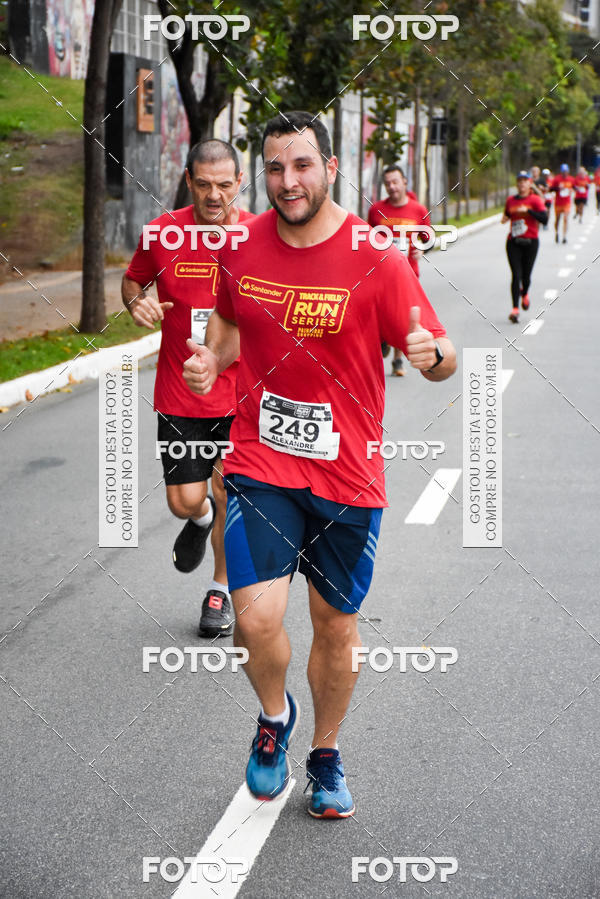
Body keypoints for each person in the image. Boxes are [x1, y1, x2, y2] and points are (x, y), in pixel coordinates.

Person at [182, 111, 456, 818]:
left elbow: (440, 352)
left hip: (347, 473)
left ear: (331, 168)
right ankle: (275, 718)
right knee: (255, 616)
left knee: (335, 624)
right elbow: (232, 322)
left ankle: (326, 754)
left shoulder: (378, 256)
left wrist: (433, 358)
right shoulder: (241, 246)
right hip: (260, 459)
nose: (287, 180)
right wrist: (214, 357)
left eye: (301, 165)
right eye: (274, 167)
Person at [122, 140, 254, 637]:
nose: (215, 195)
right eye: (204, 185)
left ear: (240, 181)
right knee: (185, 500)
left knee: (228, 489)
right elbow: (133, 281)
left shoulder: (261, 236)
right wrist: (137, 304)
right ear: (188, 180)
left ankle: (219, 590)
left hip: (241, 392)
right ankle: (197, 521)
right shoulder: (162, 234)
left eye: (224, 184)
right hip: (181, 394)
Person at [367, 165, 429, 377]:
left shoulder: (419, 210)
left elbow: (427, 238)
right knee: (380, 313)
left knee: (401, 316)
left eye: (395, 182)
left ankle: (397, 359)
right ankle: (383, 338)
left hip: (408, 274)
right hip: (381, 274)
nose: (392, 187)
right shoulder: (376, 211)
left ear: (404, 182)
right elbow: (368, 240)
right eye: (387, 184)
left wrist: (421, 247)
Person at [501, 170, 548, 323]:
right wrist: (505, 218)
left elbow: (544, 219)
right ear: (517, 184)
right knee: (516, 274)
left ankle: (525, 293)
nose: (522, 183)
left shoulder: (535, 200)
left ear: (529, 183)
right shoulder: (511, 200)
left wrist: (528, 211)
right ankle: (515, 309)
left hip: (531, 243)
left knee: (526, 277)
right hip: (513, 242)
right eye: (519, 181)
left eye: (525, 180)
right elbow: (507, 214)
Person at [549, 163, 575, 243]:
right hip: (558, 203)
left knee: (566, 219)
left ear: (568, 171)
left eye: (566, 171)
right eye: (563, 171)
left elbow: (575, 187)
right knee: (557, 219)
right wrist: (558, 188)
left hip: (567, 202)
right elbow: (551, 189)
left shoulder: (571, 179)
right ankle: (557, 233)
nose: (565, 173)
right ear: (561, 171)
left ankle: (564, 236)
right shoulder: (557, 179)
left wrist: (572, 190)